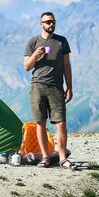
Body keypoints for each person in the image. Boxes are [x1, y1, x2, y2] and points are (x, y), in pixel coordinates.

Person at [24, 12, 77, 170]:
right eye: (47, 22)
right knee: (40, 123)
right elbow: (27, 66)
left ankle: (62, 158)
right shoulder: (33, 42)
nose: (51, 24)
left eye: (53, 21)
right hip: (37, 86)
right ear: (41, 24)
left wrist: (70, 87)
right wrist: (36, 54)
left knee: (61, 123)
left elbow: (66, 65)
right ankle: (45, 157)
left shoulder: (61, 41)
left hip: (56, 87)